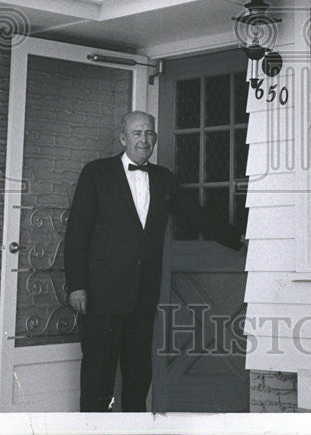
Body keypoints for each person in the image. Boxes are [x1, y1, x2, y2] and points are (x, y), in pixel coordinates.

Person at [63, 110, 241, 412]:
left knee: (138, 376)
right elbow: (77, 233)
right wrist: (77, 285)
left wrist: (242, 238)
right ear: (123, 138)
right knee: (97, 377)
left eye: (149, 133)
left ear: (155, 138)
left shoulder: (163, 179)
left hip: (143, 297)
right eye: (137, 133)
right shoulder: (96, 173)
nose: (144, 140)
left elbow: (196, 216)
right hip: (102, 295)